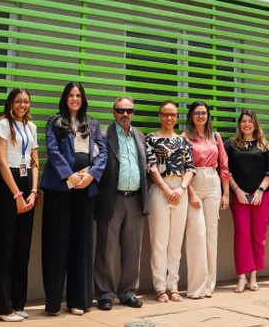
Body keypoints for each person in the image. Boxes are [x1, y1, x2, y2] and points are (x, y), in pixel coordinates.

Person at [40, 82, 107, 315]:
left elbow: (102, 152)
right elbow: (52, 150)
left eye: (78, 95)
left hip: (85, 188)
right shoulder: (54, 121)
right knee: (57, 244)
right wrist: (69, 175)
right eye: (71, 95)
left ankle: (79, 301)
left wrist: (91, 175)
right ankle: (53, 302)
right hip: (60, 187)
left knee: (82, 243)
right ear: (65, 98)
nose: (75, 99)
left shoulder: (92, 123)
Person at [0, 88, 40, 322]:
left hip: (27, 182)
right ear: (10, 103)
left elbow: (35, 161)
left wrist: (33, 191)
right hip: (8, 184)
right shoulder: (2, 124)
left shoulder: (31, 127)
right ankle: (1, 305)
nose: (22, 105)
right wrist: (17, 194)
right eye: (18, 101)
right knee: (4, 244)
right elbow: (0, 160)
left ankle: (17, 302)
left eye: (26, 101)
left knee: (22, 246)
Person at [94, 96, 148, 310]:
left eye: (129, 110)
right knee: (106, 248)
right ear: (113, 112)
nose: (125, 114)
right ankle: (105, 293)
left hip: (135, 199)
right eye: (120, 110)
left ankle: (127, 292)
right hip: (111, 198)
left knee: (133, 249)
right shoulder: (104, 135)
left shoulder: (140, 137)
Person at [146, 100, 196, 303]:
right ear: (160, 116)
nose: (169, 118)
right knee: (159, 240)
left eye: (173, 115)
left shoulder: (183, 141)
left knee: (175, 241)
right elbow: (151, 166)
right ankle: (159, 287)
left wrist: (182, 188)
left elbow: (191, 168)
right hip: (160, 189)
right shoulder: (151, 138)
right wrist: (166, 189)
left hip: (180, 190)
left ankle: (173, 285)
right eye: (165, 114)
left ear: (177, 117)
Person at [182, 101, 230, 299]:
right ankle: (196, 286)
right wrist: (190, 192)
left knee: (211, 235)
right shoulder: (184, 137)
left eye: (204, 113)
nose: (201, 116)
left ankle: (210, 284)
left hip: (212, 182)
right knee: (196, 234)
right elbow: (183, 166)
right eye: (197, 113)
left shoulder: (215, 137)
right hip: (193, 182)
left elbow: (224, 167)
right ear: (191, 116)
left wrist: (226, 193)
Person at [225, 109, 269, 293]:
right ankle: (242, 276)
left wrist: (260, 191)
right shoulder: (231, 144)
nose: (247, 124)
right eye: (243, 121)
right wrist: (236, 191)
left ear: (255, 124)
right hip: (240, 196)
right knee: (242, 235)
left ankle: (253, 276)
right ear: (239, 124)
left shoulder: (265, 145)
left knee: (258, 236)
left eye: (250, 121)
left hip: (261, 196)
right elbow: (225, 170)